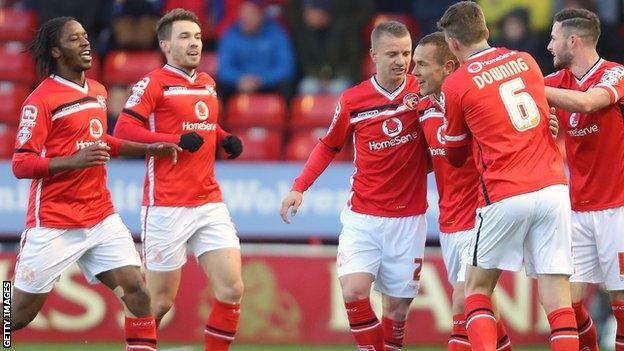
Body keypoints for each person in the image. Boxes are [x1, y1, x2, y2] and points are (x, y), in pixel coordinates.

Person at [10, 17, 181, 350]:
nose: (86, 43)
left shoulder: (98, 91)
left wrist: (149, 147)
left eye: (86, 36)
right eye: (75, 39)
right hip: (55, 223)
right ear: (57, 52)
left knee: (139, 295)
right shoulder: (40, 100)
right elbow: (21, 163)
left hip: (100, 216)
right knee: (14, 316)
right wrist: (73, 162)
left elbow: (102, 141)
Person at [280, 21, 429, 351]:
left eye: (406, 53)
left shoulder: (423, 94)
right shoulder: (353, 100)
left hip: (409, 220)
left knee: (396, 309)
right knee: (353, 292)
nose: (401, 61)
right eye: (392, 53)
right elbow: (329, 145)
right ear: (373, 55)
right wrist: (299, 186)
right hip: (364, 216)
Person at [437, 2, 577, 351]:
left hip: (504, 190)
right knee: (558, 298)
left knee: (477, 289)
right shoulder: (526, 61)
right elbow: (543, 117)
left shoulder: (455, 85)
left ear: (453, 45)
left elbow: (453, 155)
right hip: (553, 186)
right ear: (485, 31)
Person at [113, 9, 244, 351]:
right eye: (184, 37)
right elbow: (124, 129)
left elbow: (201, 127)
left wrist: (223, 135)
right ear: (165, 45)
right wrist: (173, 140)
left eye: (198, 37)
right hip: (166, 205)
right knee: (159, 304)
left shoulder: (207, 83)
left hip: (209, 202)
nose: (194, 43)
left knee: (232, 289)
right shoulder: (153, 83)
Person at [544, 8, 624, 351]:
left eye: (554, 38)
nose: (549, 46)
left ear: (572, 41)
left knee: (621, 302)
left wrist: (534, 90)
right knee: (567, 305)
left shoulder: (614, 74)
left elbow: (588, 103)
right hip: (577, 210)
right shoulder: (556, 82)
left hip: (617, 208)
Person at [216, 0, 295, 101]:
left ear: (262, 15)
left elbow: (286, 67)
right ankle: (222, 116)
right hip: (240, 82)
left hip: (268, 83)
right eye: (244, 14)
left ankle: (286, 116)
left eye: (252, 14)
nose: (246, 18)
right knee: (221, 85)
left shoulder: (277, 33)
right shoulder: (230, 34)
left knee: (287, 85)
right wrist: (240, 79)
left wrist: (261, 80)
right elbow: (224, 68)